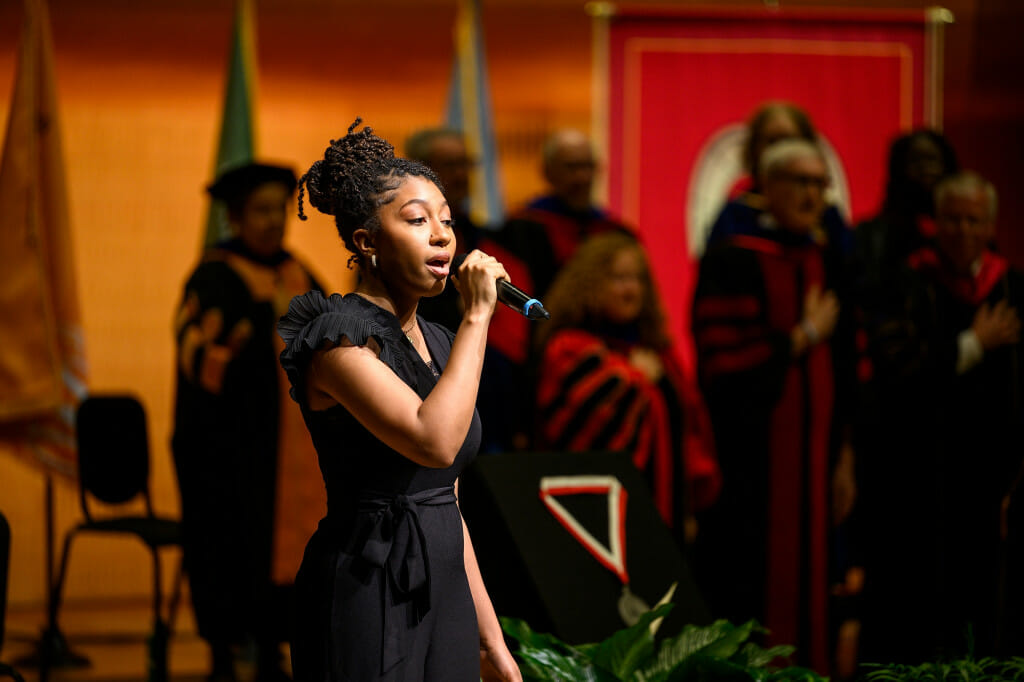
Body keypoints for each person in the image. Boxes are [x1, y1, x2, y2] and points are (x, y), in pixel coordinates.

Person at [278, 119, 521, 681]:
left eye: (447, 221)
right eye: (416, 221)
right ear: (367, 242)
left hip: (446, 586)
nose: (442, 236)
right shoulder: (337, 338)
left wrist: (489, 640)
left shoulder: (440, 342)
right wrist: (479, 315)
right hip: (370, 581)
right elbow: (432, 441)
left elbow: (446, 499)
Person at [692, 139, 857, 673]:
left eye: (820, 183)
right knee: (753, 593)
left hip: (816, 467)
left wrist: (844, 457)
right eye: (801, 183)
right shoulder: (731, 261)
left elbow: (850, 371)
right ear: (767, 188)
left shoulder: (828, 259)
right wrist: (801, 337)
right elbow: (723, 366)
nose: (814, 195)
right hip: (752, 470)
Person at [858, 171, 1024, 662]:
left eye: (974, 219)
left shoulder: (1012, 287)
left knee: (986, 606)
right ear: (935, 221)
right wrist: (973, 345)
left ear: (990, 223)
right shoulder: (903, 282)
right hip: (918, 479)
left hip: (992, 482)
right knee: (919, 611)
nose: (963, 230)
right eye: (952, 218)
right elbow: (895, 372)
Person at [172, 162, 324, 681]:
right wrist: (267, 322)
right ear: (235, 217)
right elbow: (198, 358)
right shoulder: (214, 274)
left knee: (291, 550)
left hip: (293, 452)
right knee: (229, 546)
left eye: (279, 210)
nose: (273, 222)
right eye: (260, 210)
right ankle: (222, 654)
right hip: (228, 449)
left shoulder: (297, 272)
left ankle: (272, 649)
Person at [533, 232, 720, 547]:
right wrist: (634, 380)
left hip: (667, 517)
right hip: (597, 526)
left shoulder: (659, 353)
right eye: (619, 278)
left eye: (638, 279)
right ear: (589, 283)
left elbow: (688, 430)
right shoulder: (570, 349)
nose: (631, 290)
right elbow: (580, 438)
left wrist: (689, 503)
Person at [487, 128, 635, 452]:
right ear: (548, 172)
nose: (581, 177)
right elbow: (511, 330)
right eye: (571, 167)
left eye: (587, 166)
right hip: (546, 377)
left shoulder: (618, 234)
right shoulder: (520, 233)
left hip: (614, 374)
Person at [707, 101, 852, 256]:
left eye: (790, 141)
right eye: (772, 142)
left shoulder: (825, 217)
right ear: (753, 148)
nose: (781, 151)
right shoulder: (736, 216)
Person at [404, 127, 485, 333]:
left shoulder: (480, 232)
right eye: (450, 165)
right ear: (421, 170)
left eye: (465, 164)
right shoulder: (401, 234)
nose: (461, 174)